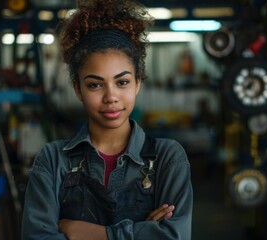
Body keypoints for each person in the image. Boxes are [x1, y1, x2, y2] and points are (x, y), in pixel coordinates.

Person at [20, 0, 193, 239]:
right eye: (95, 85)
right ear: (78, 89)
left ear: (137, 84)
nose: (111, 97)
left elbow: (175, 236)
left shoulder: (167, 158)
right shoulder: (52, 161)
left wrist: (86, 232)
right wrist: (142, 231)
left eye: (122, 82)